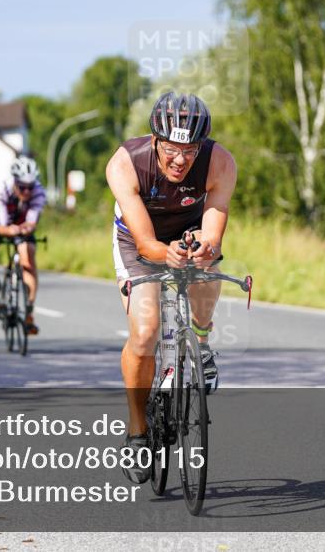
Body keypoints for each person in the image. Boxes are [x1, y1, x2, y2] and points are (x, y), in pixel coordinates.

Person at [105, 91, 237, 484]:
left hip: (188, 229)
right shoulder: (125, 164)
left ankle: (202, 343)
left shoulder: (220, 162)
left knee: (207, 265)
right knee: (145, 334)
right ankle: (137, 431)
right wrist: (167, 254)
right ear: (155, 141)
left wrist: (203, 249)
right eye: (171, 150)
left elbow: (213, 235)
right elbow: (146, 244)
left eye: (190, 150)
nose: (180, 160)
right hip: (137, 240)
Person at [0, 156, 46, 334]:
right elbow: (1, 228)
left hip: (21, 221)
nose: (27, 191)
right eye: (22, 187)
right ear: (15, 182)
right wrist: (10, 230)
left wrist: (25, 229)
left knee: (28, 257)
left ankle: (29, 311)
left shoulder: (39, 192)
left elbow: (32, 221)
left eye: (30, 187)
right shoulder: (1, 190)